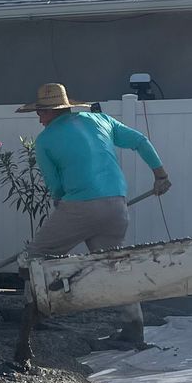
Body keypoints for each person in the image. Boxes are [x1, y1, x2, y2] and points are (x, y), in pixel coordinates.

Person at [21, 82, 172, 348]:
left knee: (37, 257)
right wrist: (160, 175)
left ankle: (31, 315)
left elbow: (55, 186)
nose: (39, 117)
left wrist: (63, 205)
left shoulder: (45, 141)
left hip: (81, 204)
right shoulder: (100, 120)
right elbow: (140, 141)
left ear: (55, 111)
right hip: (116, 205)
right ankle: (133, 328)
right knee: (115, 267)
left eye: (42, 112)